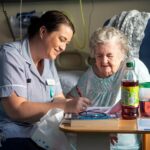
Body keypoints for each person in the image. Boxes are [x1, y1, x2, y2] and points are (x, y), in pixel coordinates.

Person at [0, 10, 91, 150]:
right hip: (14, 135)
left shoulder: (48, 61)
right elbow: (16, 109)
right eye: (62, 39)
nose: (63, 48)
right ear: (43, 32)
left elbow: (57, 98)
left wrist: (74, 106)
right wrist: (66, 106)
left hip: (43, 132)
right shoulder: (11, 55)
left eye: (67, 43)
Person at [67, 27, 150, 150]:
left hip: (123, 145)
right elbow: (69, 101)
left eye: (109, 55)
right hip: (91, 141)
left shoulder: (133, 68)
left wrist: (112, 126)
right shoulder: (89, 75)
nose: (104, 61)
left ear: (121, 53)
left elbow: (147, 106)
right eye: (99, 55)